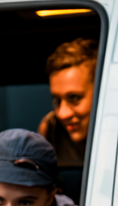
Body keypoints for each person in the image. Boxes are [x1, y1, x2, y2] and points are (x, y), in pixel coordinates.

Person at [37, 38, 97, 169]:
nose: (62, 114)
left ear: (101, 90)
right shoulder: (51, 128)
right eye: (56, 100)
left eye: (74, 97)